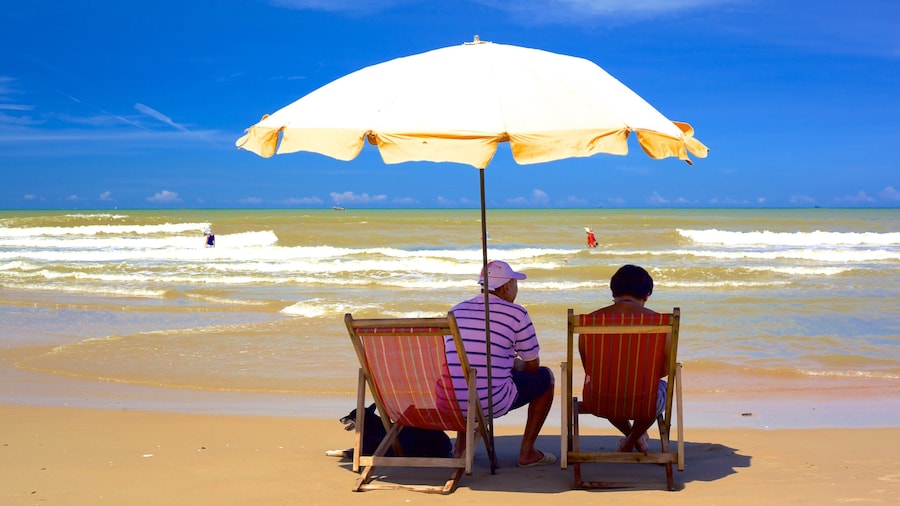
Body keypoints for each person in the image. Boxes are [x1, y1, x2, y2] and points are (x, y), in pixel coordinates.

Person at [446, 260, 556, 467]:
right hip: (491, 400)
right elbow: (532, 365)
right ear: (506, 286)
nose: (516, 288)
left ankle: (460, 448)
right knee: (545, 378)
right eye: (515, 283)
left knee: (464, 373)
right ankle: (527, 453)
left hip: (451, 401)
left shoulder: (456, 311)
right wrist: (516, 364)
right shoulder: (517, 313)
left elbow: (454, 357)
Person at [582, 264, 665, 453]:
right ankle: (633, 440)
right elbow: (665, 370)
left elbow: (589, 366)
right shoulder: (660, 322)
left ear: (613, 291)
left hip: (599, 399)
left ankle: (632, 439)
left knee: (607, 387)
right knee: (660, 389)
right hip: (646, 401)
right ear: (647, 294)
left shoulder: (591, 320)